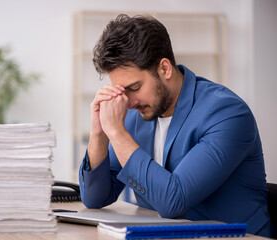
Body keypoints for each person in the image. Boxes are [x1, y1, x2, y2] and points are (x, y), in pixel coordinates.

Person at [78, 14, 271, 237]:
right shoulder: (134, 115)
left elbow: (174, 201)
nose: (128, 102)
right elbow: (95, 198)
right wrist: (99, 132)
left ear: (165, 69)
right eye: (121, 91)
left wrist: (117, 133)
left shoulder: (227, 113)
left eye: (134, 87)